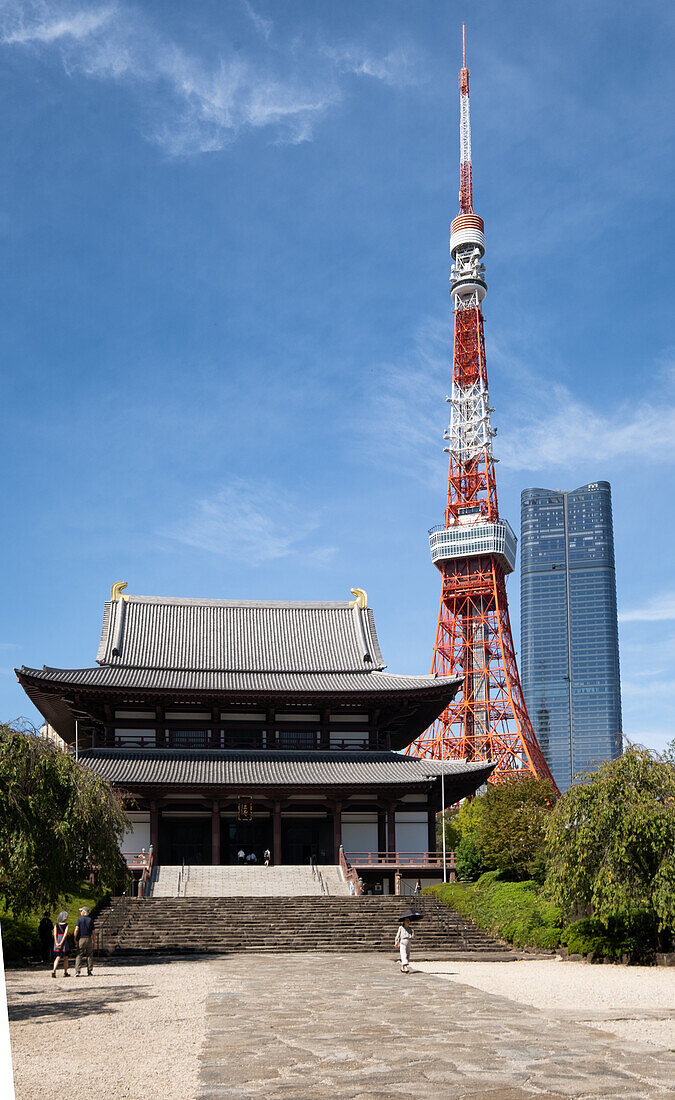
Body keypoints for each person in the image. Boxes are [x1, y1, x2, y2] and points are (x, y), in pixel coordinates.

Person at [74, 906, 96, 976]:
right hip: (88, 939)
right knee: (89, 955)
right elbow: (93, 932)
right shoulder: (90, 920)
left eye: (81, 911)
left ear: (84, 912)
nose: (80, 912)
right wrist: (94, 941)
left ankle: (77, 971)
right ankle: (89, 971)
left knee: (79, 955)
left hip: (81, 939)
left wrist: (75, 938)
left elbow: (76, 929)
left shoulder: (79, 920)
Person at [52, 911, 70, 978]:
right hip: (63, 941)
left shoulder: (56, 925)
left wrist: (56, 942)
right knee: (65, 957)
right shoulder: (66, 925)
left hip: (57, 940)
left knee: (57, 957)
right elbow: (65, 935)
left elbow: (54, 934)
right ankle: (65, 972)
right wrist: (61, 943)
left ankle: (54, 970)